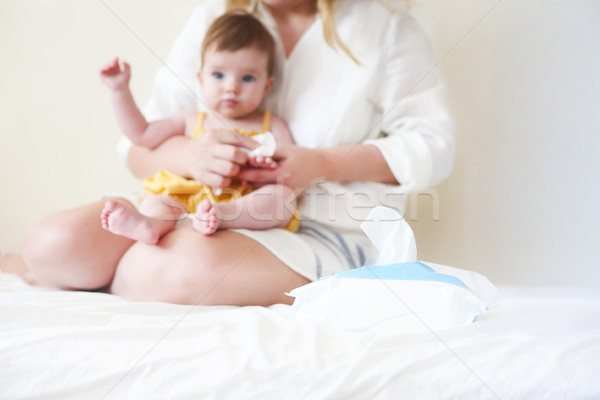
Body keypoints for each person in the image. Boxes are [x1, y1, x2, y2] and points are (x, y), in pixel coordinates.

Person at [20, 0, 455, 306]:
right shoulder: (218, 15)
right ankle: (139, 249)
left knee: (165, 269)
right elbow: (138, 146)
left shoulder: (384, 29)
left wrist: (320, 163)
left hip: (313, 227)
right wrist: (189, 155)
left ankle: (128, 268)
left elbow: (432, 145)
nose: (232, 88)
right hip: (186, 200)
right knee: (51, 245)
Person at [99, 12, 298, 242]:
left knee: (283, 197)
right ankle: (151, 225)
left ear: (267, 86)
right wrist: (119, 91)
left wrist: (265, 165)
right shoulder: (191, 120)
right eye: (218, 75)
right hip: (184, 197)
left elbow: (290, 170)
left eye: (247, 79)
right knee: (156, 201)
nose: (231, 87)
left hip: (242, 202)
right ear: (201, 78)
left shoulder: (272, 125)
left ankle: (222, 215)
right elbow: (141, 134)